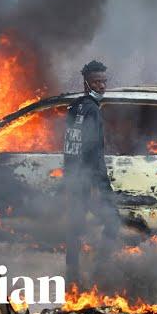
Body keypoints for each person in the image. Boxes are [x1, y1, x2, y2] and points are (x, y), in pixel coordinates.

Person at [63, 60, 120, 285]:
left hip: (74, 178)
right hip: (89, 180)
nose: (102, 86)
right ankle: (100, 271)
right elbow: (93, 150)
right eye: (97, 82)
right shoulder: (92, 110)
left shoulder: (74, 107)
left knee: (75, 226)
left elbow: (69, 145)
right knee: (113, 221)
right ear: (86, 83)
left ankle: (73, 273)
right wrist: (102, 185)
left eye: (104, 81)